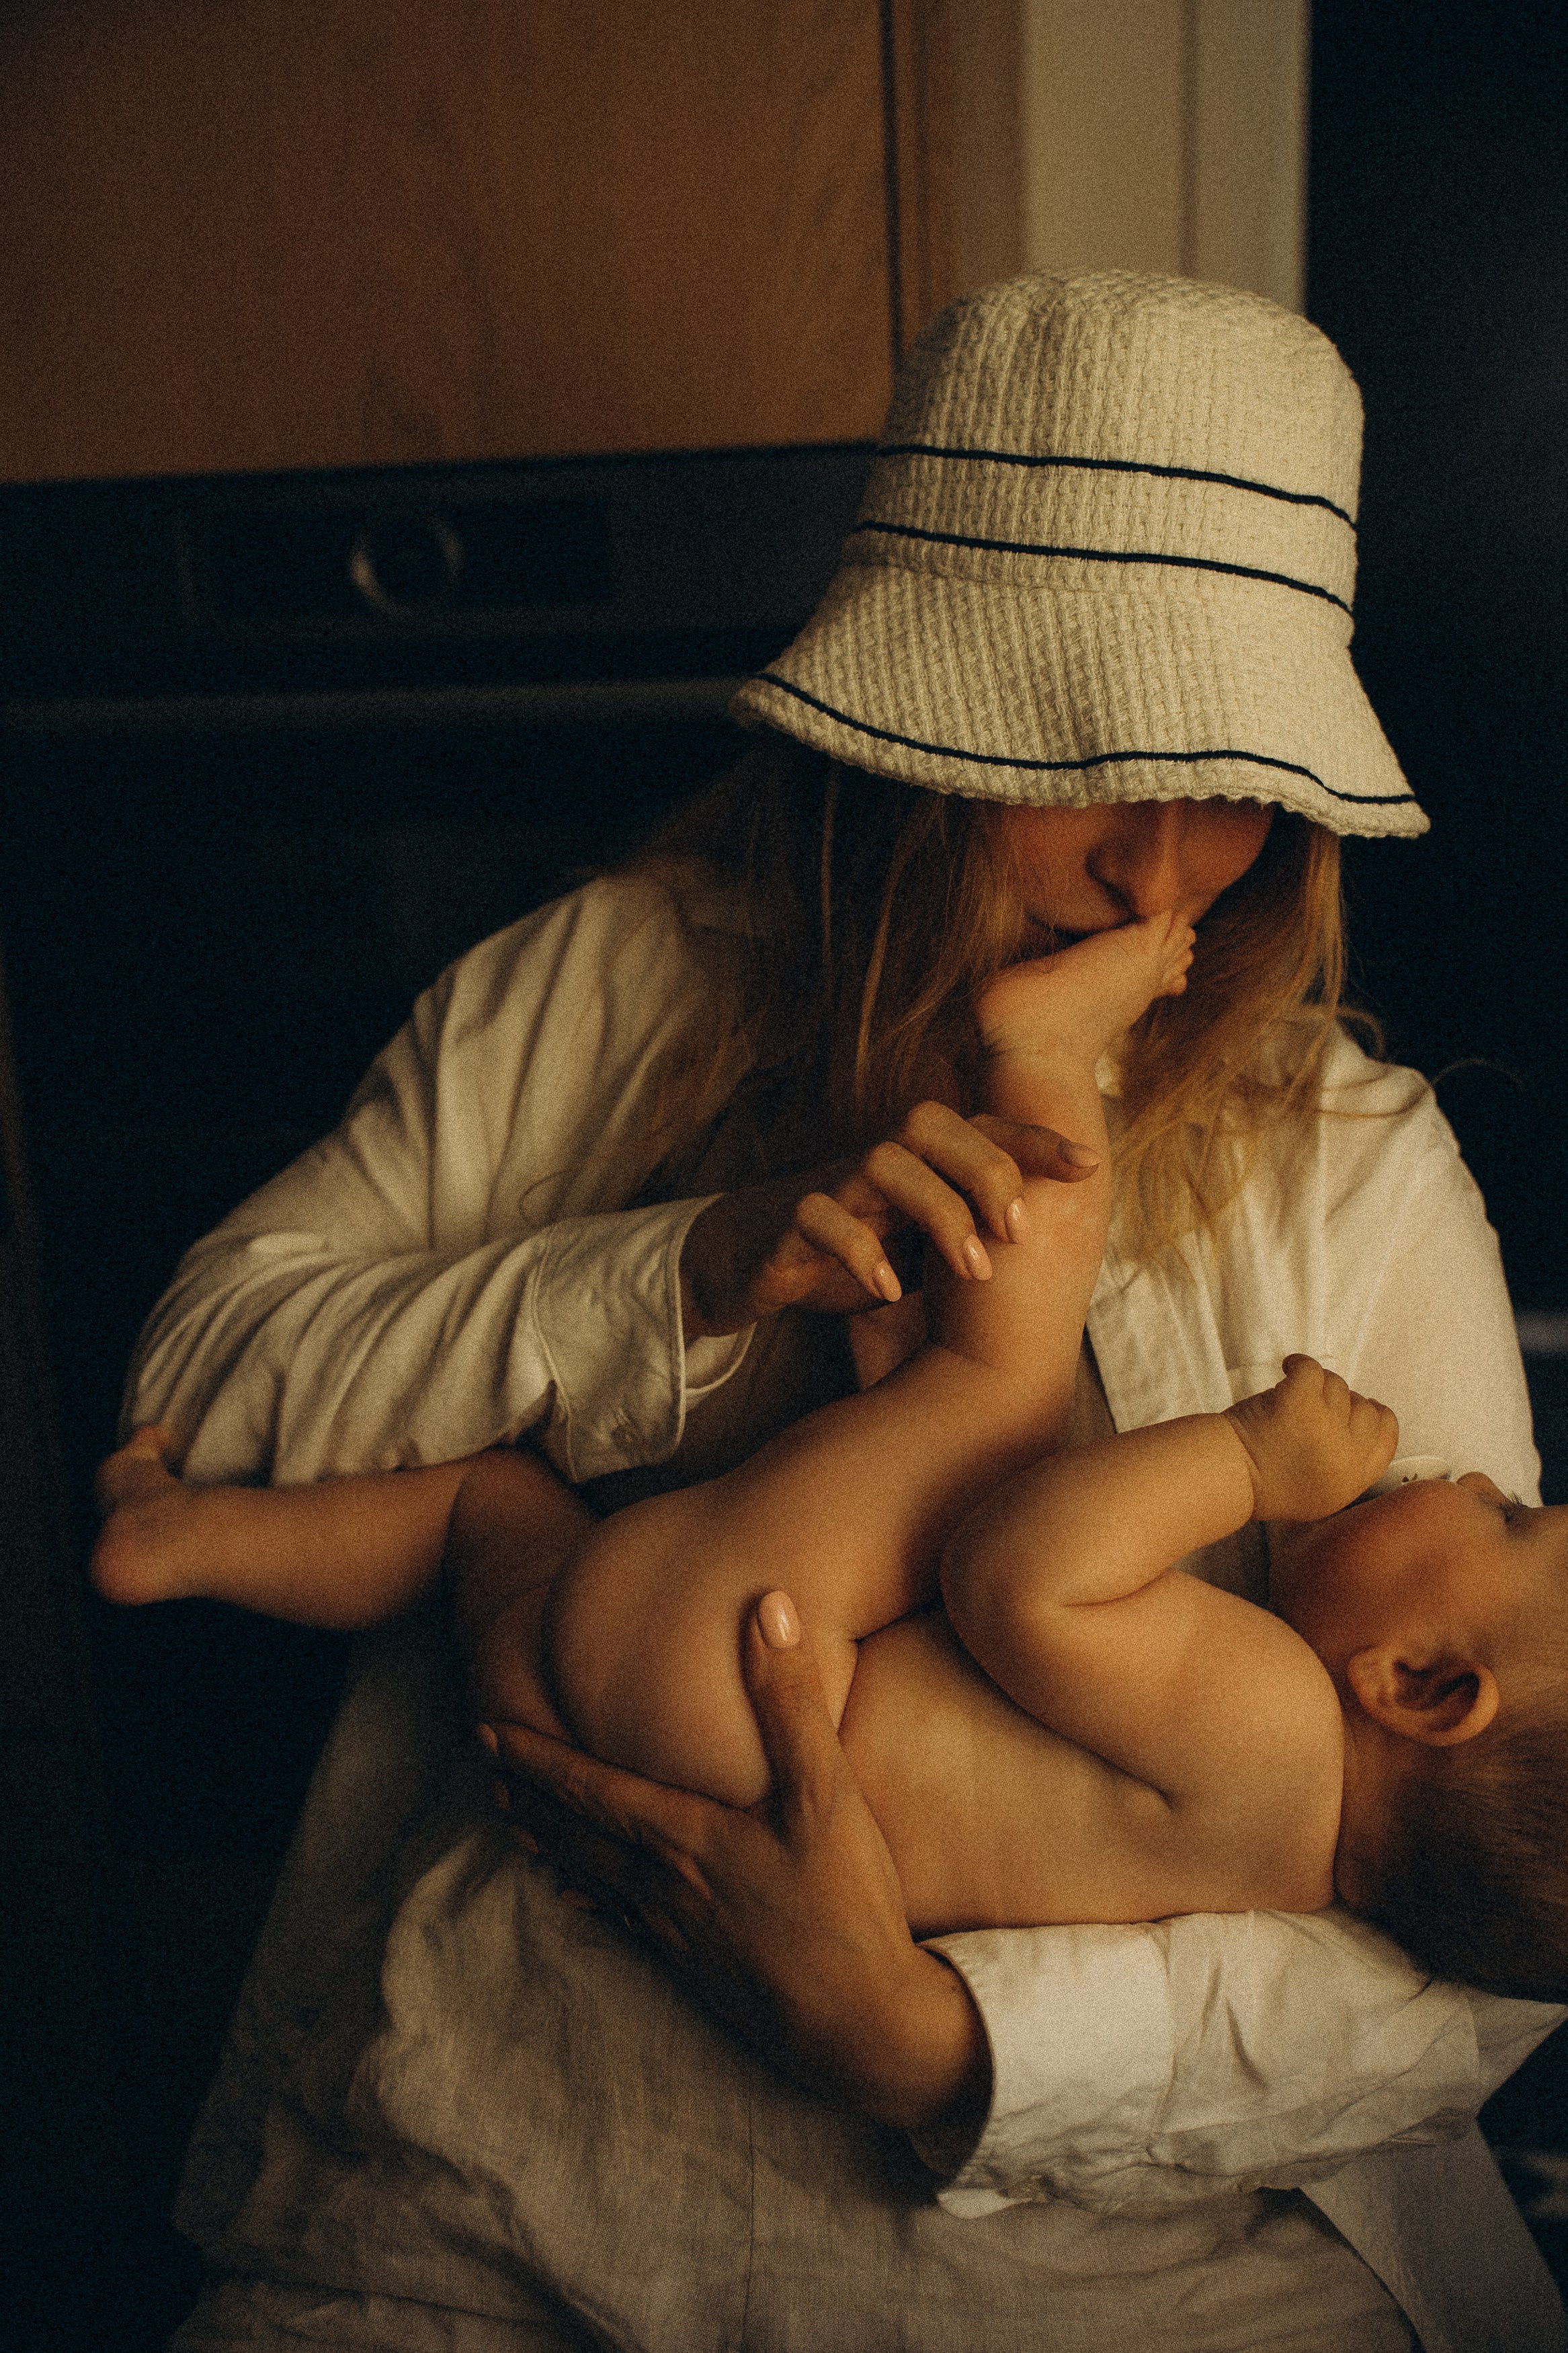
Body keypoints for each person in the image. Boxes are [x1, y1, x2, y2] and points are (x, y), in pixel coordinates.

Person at [124, 274, 1565, 2352]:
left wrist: (923, 2039)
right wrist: (681, 1270)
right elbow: (197, 1388)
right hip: (478, 2181)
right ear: (917, 716)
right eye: (1088, 754)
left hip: (1130, 2275)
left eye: (1238, 776)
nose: (1161, 865)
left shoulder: (1346, 1156)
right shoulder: (604, 986)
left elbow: (1478, 1945)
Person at [93, 911, 1568, 2005]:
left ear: (1421, 1687)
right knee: (488, 1504)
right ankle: (178, 1539)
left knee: (1004, 1387)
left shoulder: (1278, 1734)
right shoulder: (1276, 1873)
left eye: (1508, 1520)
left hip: (739, 1673)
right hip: (648, 1744)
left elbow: (1020, 1572)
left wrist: (1248, 1459)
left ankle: (1039, 1051)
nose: (1472, 1482)